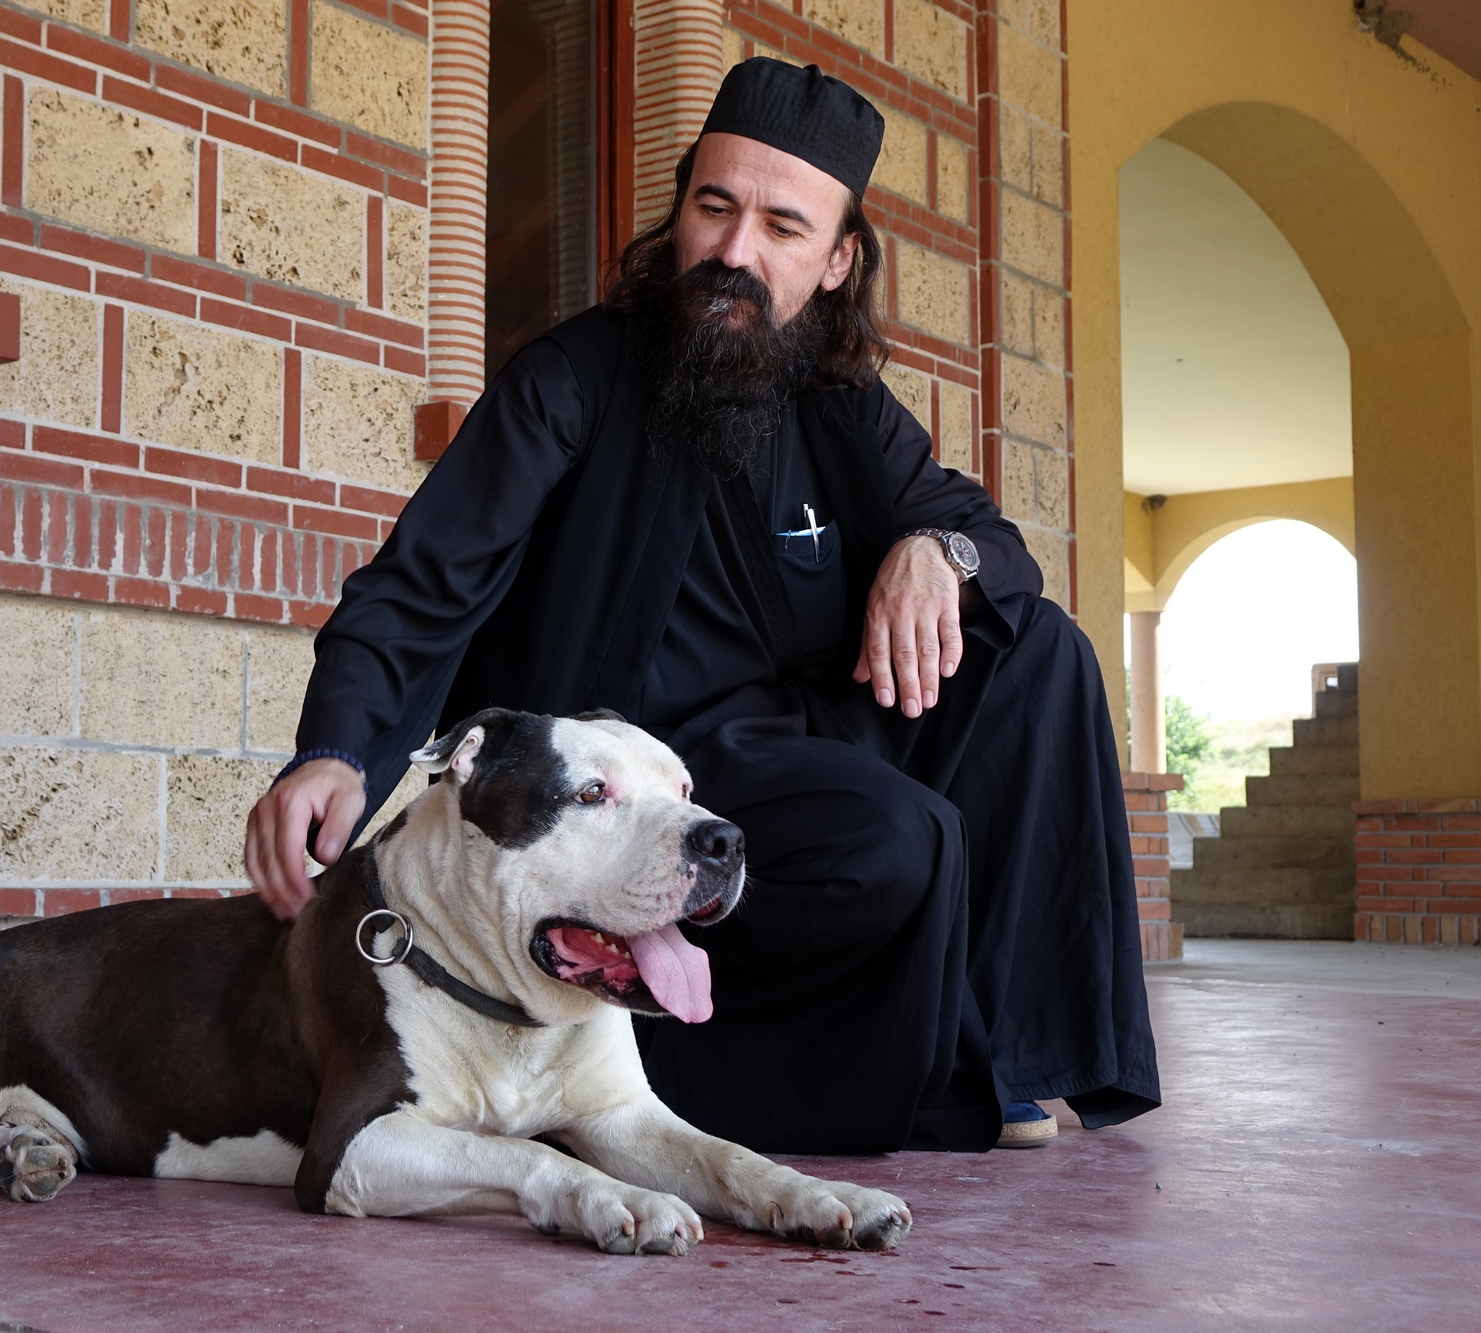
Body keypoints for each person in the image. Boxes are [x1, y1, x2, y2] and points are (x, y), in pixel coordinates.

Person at [244, 58, 1159, 1153]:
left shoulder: (839, 404)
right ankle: (650, 1074)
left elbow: (987, 537)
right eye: (712, 208)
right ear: (678, 212)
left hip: (786, 743)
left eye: (781, 227)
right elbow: (417, 584)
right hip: (620, 771)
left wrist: (937, 551)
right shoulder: (568, 382)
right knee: (898, 842)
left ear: (835, 261)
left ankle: (999, 1053)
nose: (732, 253)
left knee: (1039, 650)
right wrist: (335, 749)